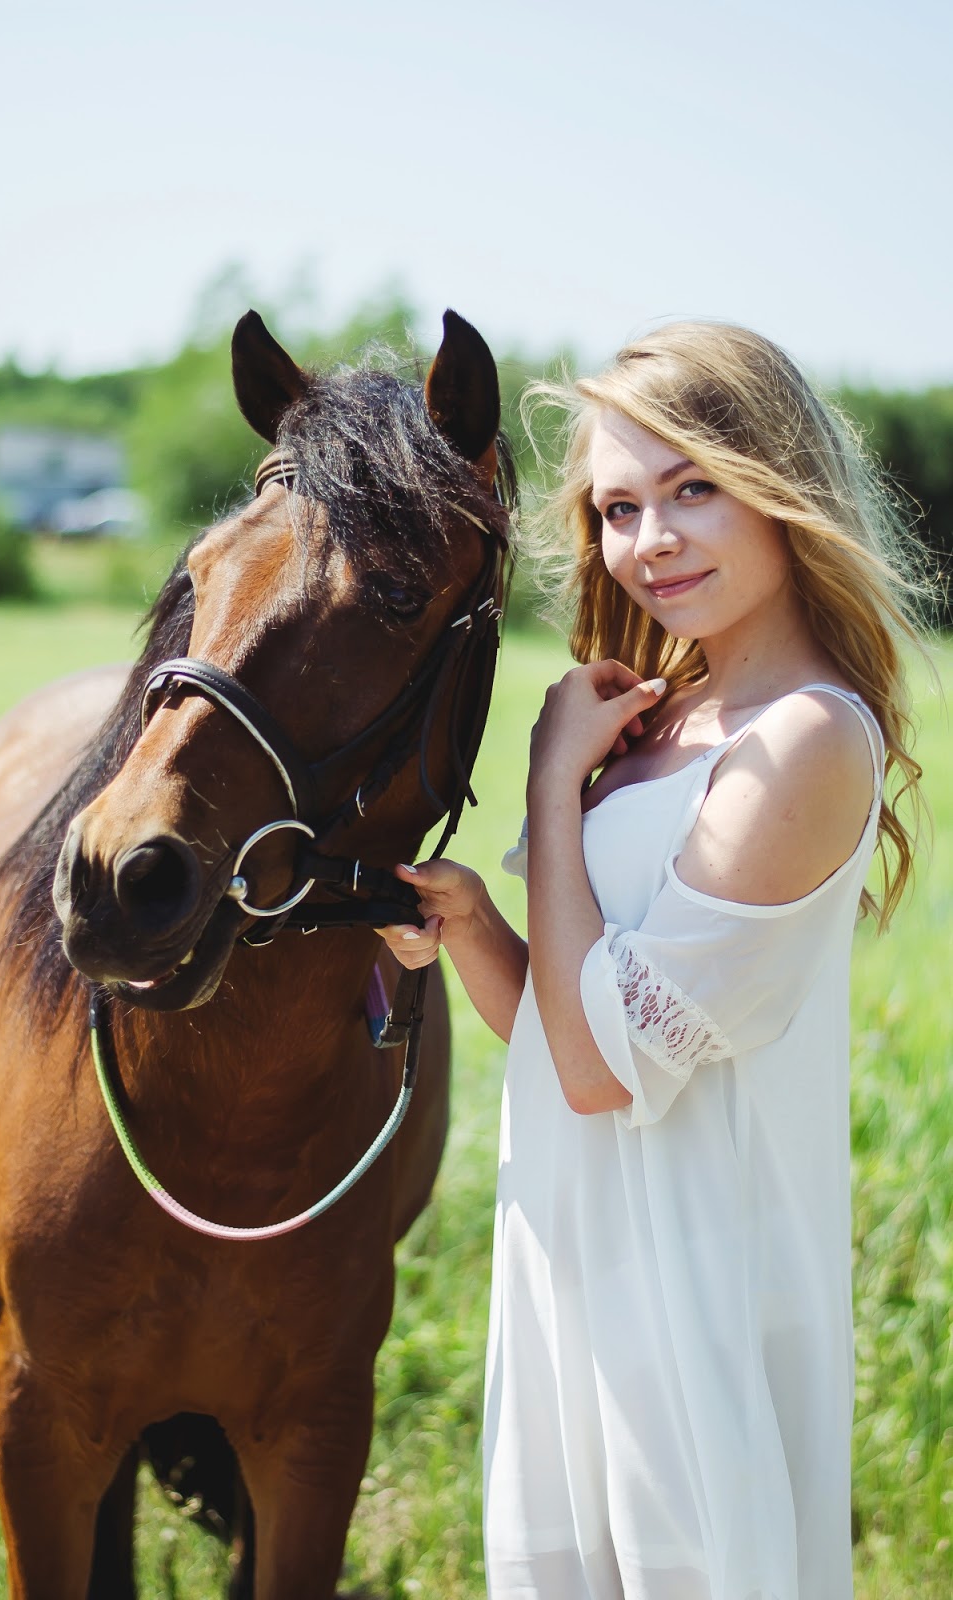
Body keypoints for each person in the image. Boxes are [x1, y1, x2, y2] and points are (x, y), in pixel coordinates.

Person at [379, 321, 927, 1600]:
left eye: (693, 488)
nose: (653, 539)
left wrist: (549, 785)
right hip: (579, 1256)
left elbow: (601, 1072)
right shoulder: (662, 720)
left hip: (693, 1293)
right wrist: (470, 919)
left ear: (781, 483)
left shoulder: (800, 742)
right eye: (619, 507)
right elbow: (569, 1021)